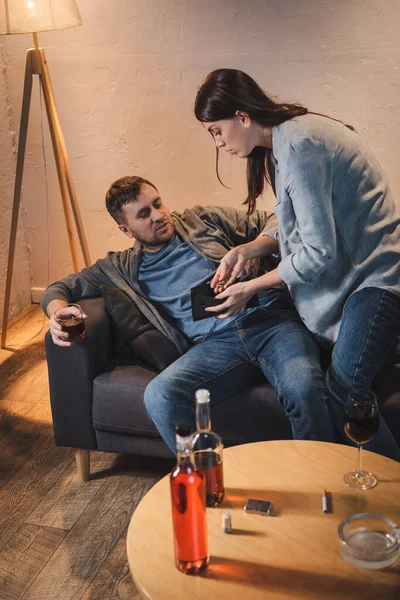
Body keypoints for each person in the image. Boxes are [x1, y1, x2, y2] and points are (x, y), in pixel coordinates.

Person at [42, 175, 335, 453]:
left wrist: (252, 250)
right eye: (143, 214)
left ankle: (321, 482)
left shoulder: (200, 220)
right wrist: (57, 311)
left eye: (157, 204)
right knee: (160, 396)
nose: (158, 216)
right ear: (125, 229)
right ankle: (212, 481)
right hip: (216, 347)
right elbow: (60, 288)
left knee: (304, 388)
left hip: (272, 322)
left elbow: (273, 220)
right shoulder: (119, 268)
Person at [194, 68, 400, 461]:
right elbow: (294, 222)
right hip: (355, 280)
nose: (219, 143)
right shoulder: (284, 142)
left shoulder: (302, 144)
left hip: (377, 281)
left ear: (241, 117)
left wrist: (252, 286)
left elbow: (319, 251)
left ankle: (391, 503)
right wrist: (252, 247)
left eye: (217, 131)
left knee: (345, 394)